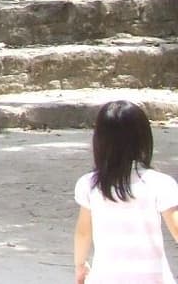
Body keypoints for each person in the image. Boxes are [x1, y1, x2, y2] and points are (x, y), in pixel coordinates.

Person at [73, 100, 178, 283]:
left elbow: (83, 233)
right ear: (144, 139)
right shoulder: (160, 184)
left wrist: (80, 265)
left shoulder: (89, 185)